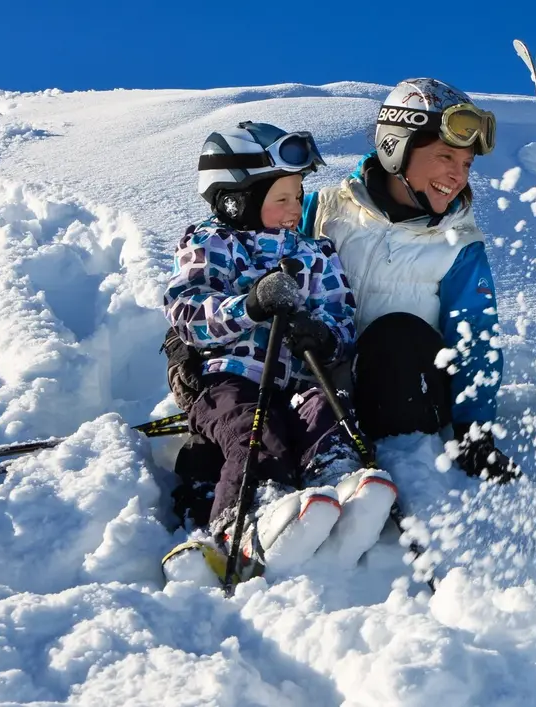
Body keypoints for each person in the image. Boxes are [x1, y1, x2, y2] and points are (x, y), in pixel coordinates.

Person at [161, 122, 397, 578]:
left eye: (299, 193)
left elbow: (341, 315)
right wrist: (248, 306)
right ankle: (243, 517)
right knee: (256, 430)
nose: (296, 208)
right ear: (236, 199)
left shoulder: (315, 253)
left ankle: (339, 482)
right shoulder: (212, 243)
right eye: (282, 198)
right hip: (228, 380)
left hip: (301, 380)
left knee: (328, 413)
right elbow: (186, 311)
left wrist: (324, 336)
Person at [301, 78, 513, 481]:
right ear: (395, 147)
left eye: (466, 164)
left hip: (408, 399)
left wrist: (475, 430)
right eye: (445, 156)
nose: (457, 175)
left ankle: (394, 477)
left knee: (394, 335)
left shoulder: (459, 244)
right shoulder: (323, 210)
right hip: (324, 395)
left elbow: (476, 335)